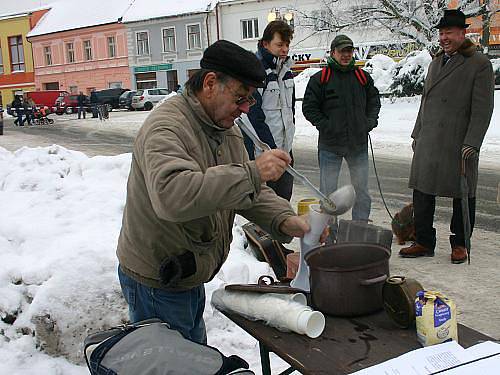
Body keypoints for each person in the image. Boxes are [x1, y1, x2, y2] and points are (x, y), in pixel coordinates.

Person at [116, 40, 324, 344]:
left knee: (192, 354)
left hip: (187, 271)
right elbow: (173, 196)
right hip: (156, 280)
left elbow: (246, 189)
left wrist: (287, 221)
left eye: (250, 100)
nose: (244, 109)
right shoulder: (166, 128)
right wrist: (253, 171)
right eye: (240, 98)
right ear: (211, 83)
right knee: (173, 363)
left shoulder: (225, 127)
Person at [399, 9, 494, 264]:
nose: (444, 38)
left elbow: (483, 109)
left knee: (462, 193)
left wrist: (472, 142)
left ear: (463, 33)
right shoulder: (436, 62)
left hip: (459, 142)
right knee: (422, 191)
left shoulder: (479, 63)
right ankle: (423, 241)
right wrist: (417, 133)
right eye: (441, 33)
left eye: (449, 33)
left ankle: (460, 243)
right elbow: (425, 101)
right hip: (429, 138)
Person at [302, 34, 381, 226]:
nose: (346, 55)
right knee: (328, 193)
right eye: (342, 51)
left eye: (349, 51)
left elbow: (374, 102)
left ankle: (359, 228)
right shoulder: (320, 79)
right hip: (330, 146)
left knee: (361, 190)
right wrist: (327, 126)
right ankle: (329, 233)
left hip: (358, 144)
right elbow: (309, 108)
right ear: (333, 53)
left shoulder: (362, 78)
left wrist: (368, 122)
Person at [242, 20, 296, 201]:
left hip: (285, 150)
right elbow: (253, 115)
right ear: (265, 44)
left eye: (287, 45)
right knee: (266, 204)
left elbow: (290, 110)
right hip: (265, 153)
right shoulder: (257, 72)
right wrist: (270, 149)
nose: (285, 49)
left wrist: (287, 146)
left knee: (284, 201)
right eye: (279, 44)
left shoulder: (287, 71)